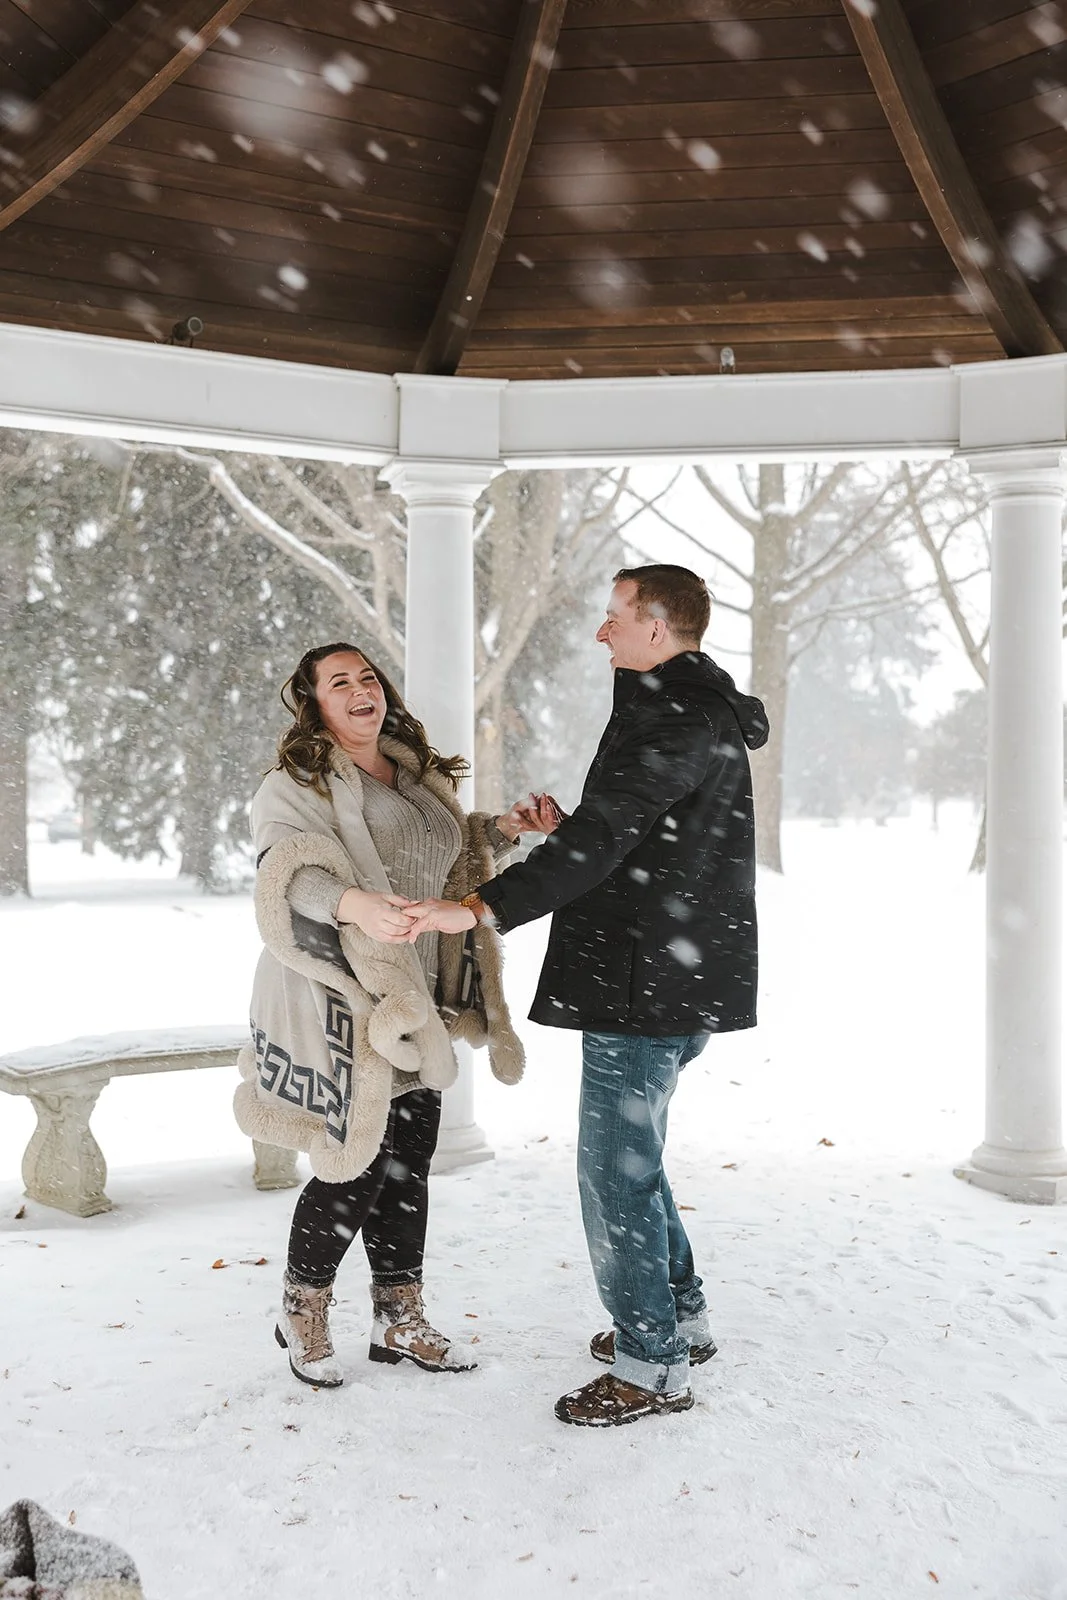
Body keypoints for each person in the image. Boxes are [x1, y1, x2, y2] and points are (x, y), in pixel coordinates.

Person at [407, 566, 769, 1427]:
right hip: (670, 974)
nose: (601, 633)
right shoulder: (686, 705)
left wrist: (479, 905)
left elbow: (613, 839)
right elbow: (632, 834)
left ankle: (651, 1367)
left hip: (646, 984)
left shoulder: (671, 715)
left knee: (613, 1176)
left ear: (658, 627)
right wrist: (565, 829)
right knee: (633, 1165)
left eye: (614, 618)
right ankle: (680, 1320)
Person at [234, 642, 529, 1388]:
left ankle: (399, 1315)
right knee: (352, 1162)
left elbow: (436, 856)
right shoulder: (293, 784)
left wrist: (502, 831)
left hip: (415, 990)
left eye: (367, 677)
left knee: (408, 1163)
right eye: (340, 683)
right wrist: (351, 902)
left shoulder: (410, 771)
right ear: (314, 702)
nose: (361, 690)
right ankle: (301, 1306)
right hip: (337, 991)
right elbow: (285, 874)